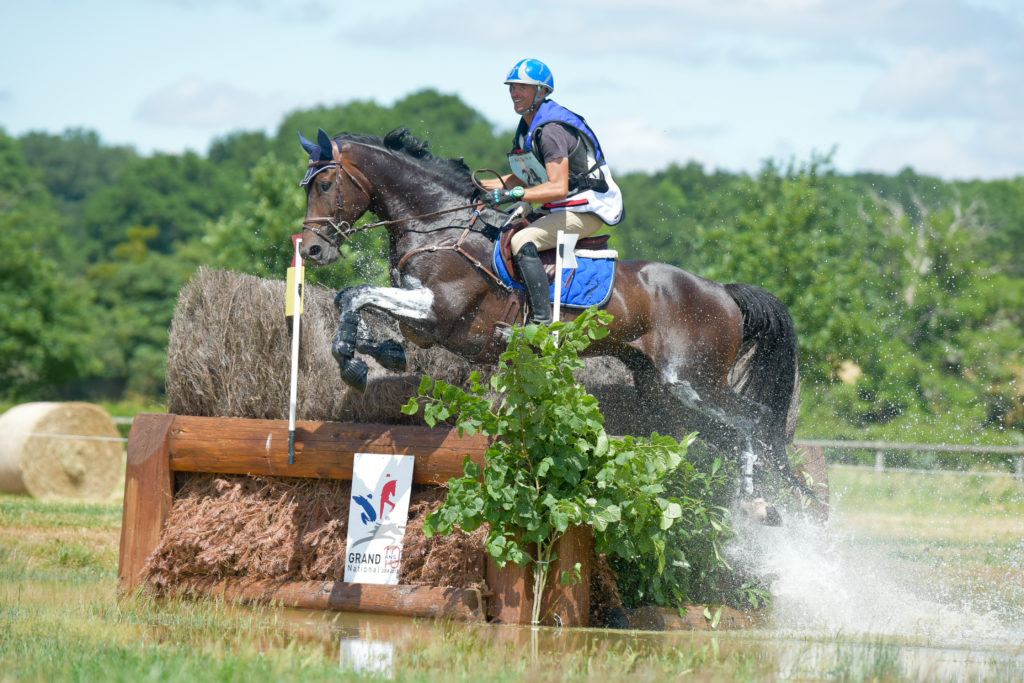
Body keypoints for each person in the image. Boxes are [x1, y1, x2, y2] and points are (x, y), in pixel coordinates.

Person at [480, 58, 624, 324]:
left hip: (587, 208)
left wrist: (513, 195)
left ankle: (542, 322)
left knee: (522, 241)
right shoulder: (528, 128)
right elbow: (522, 177)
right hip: (563, 205)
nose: (514, 93)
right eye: (512, 87)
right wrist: (475, 188)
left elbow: (557, 188)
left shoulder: (550, 130)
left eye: (522, 87)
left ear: (542, 92)